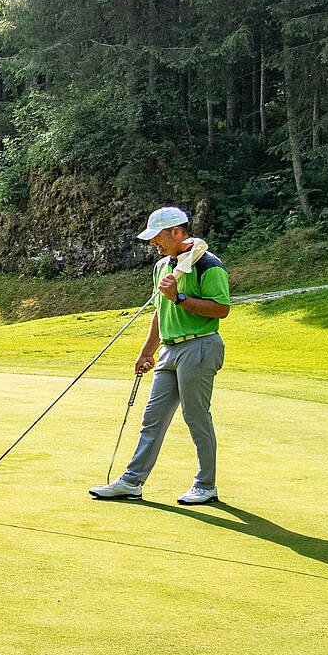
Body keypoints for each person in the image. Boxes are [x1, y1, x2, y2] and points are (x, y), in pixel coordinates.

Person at [91, 206, 231, 505]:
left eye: (157, 236)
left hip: (201, 345)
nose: (153, 242)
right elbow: (160, 310)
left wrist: (179, 297)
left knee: (196, 417)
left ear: (176, 232)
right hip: (169, 349)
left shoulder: (208, 264)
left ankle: (206, 486)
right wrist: (147, 350)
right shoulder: (162, 266)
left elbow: (221, 309)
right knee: (152, 419)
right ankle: (131, 482)